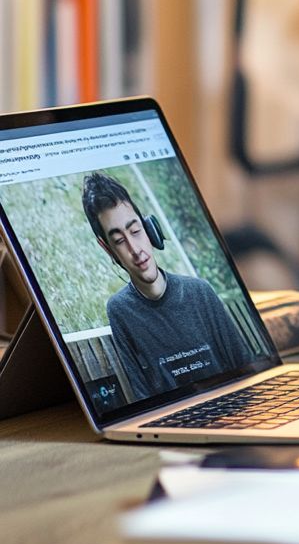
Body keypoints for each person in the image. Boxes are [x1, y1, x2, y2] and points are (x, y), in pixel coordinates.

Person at [81, 172, 255, 402]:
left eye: (135, 231)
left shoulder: (200, 291)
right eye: (120, 241)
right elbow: (143, 394)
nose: (135, 249)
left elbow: (244, 366)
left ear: (149, 228)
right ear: (107, 249)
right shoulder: (119, 310)